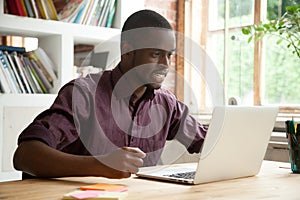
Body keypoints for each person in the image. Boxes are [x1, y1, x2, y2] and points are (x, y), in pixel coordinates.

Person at [13, 9, 207, 180]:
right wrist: (100, 165)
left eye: (169, 55)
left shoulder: (167, 104)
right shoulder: (83, 94)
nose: (166, 64)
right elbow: (25, 155)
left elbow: (208, 140)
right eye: (156, 54)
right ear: (127, 51)